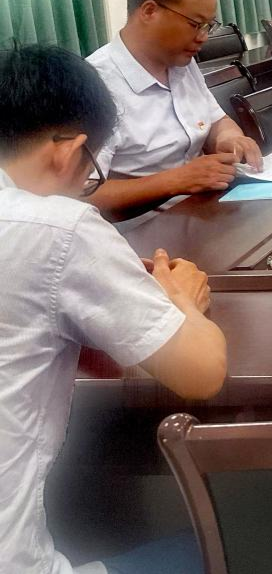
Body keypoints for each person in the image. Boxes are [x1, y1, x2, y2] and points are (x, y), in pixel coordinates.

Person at [0, 43, 227, 574]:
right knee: (241, 540)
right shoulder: (57, 226)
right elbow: (201, 372)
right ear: (69, 151)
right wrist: (180, 300)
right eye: (91, 177)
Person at [87, 0, 263, 217]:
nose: (203, 37)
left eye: (208, 26)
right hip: (142, 229)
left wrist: (229, 139)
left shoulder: (181, 62)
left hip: (203, 210)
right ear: (149, 11)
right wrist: (177, 180)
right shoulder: (95, 86)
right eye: (195, 24)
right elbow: (82, 196)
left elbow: (216, 120)